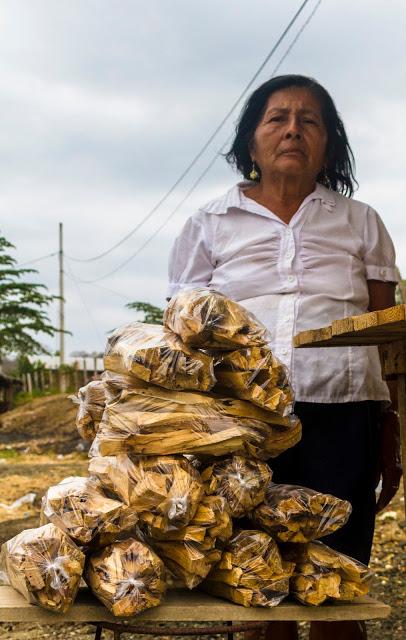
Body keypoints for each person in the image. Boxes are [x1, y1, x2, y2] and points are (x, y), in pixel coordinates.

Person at [167, 75, 402, 640]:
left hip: (344, 414)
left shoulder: (361, 221)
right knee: (255, 589)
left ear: (328, 144)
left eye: (309, 120)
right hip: (241, 423)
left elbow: (388, 340)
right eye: (277, 118)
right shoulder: (208, 224)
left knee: (337, 590)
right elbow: (181, 336)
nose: (293, 129)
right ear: (251, 142)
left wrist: (394, 424)